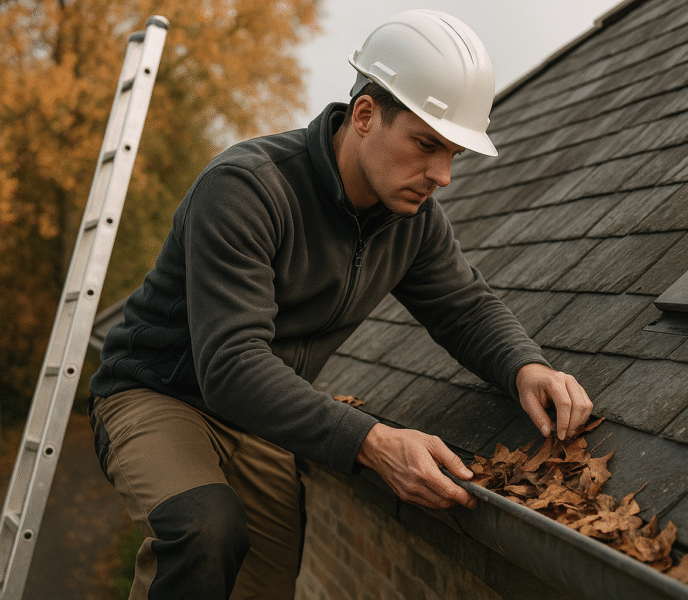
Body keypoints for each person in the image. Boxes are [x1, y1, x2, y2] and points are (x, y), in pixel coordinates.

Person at [88, 9, 592, 600]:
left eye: (454, 153)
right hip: (159, 393)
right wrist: (372, 442)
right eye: (427, 144)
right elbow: (229, 366)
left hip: (263, 418)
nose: (443, 176)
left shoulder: (413, 223)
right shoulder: (247, 189)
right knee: (204, 529)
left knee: (267, 583)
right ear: (364, 115)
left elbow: (465, 307)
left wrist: (524, 366)